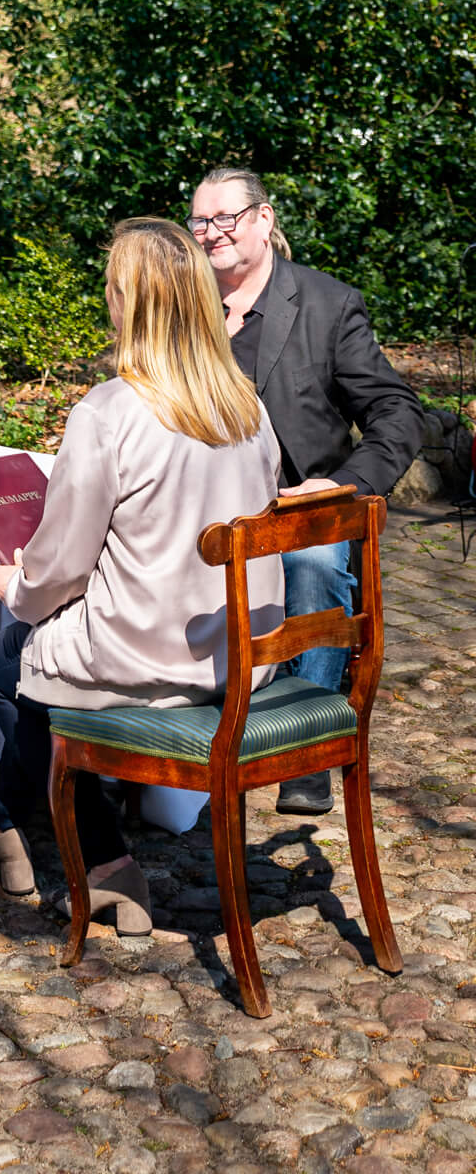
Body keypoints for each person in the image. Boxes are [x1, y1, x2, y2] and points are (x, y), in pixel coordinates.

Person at [0, 218, 282, 932]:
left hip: (147, 655)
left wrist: (14, 586)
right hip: (240, 652)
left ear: (129, 304)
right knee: (33, 657)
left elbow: (58, 573)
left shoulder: (111, 411)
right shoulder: (247, 406)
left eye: (113, 289)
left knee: (8, 661)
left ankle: (102, 864)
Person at [189, 164, 423, 814]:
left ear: (263, 220)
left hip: (297, 513)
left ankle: (307, 741)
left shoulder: (327, 304)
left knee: (316, 561)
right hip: (199, 512)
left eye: (225, 218)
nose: (211, 234)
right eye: (200, 221)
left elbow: (399, 413)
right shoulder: (184, 308)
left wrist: (341, 487)